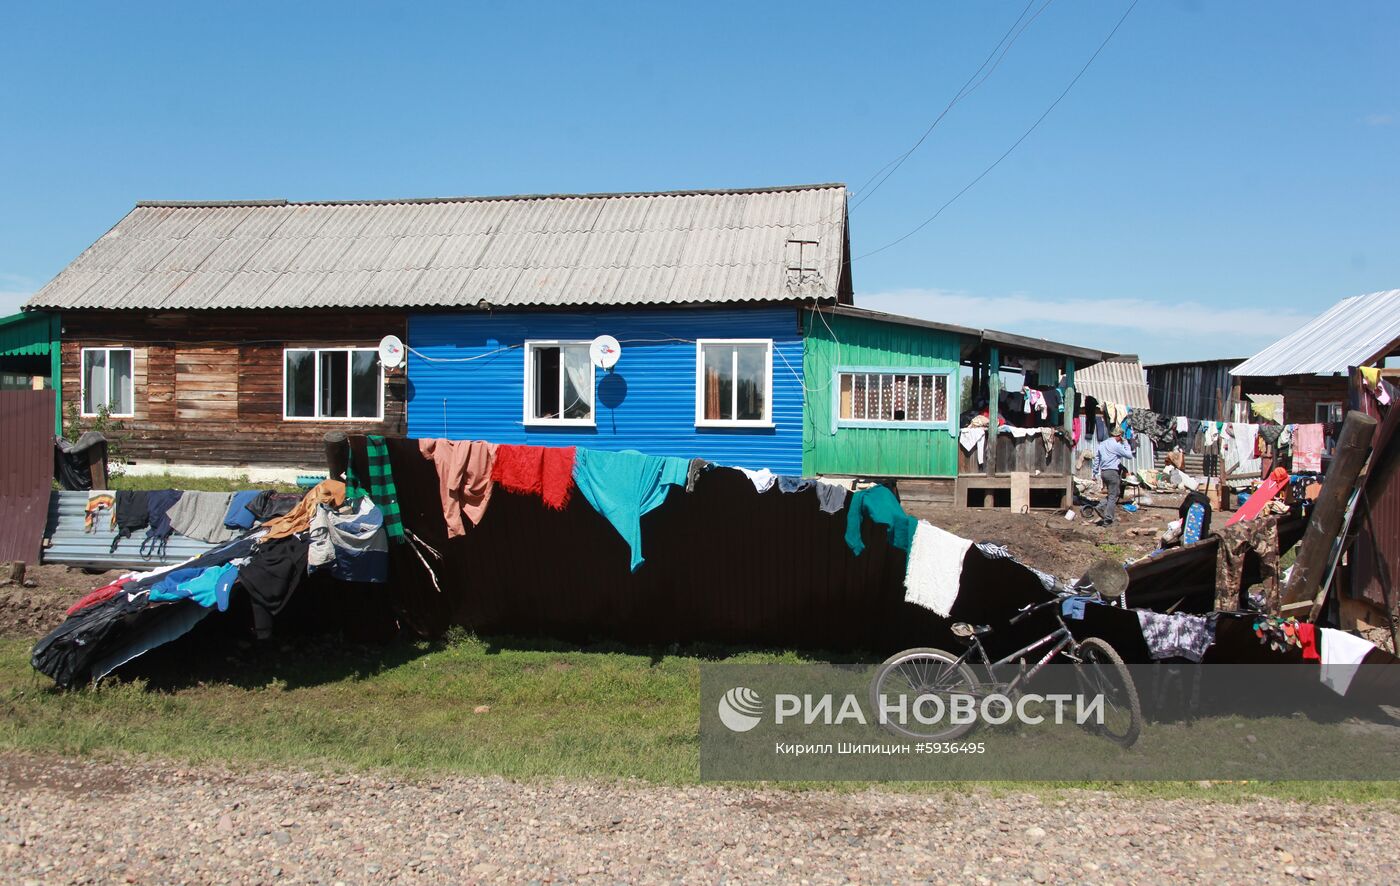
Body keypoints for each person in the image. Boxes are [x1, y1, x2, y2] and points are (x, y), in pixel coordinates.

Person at [1091, 425, 1134, 526]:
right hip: (1112, 472)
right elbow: (1129, 455)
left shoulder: (1102, 444)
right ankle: (1108, 520)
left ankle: (1101, 506)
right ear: (1119, 436)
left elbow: (1097, 459)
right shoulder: (1116, 445)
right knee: (1113, 497)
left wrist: (1094, 472)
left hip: (1104, 472)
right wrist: (1126, 443)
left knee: (1115, 493)